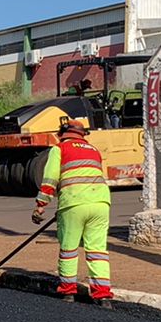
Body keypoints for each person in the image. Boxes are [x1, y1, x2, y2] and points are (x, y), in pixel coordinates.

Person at [32, 117, 113, 304]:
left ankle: (68, 291)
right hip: (101, 203)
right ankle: (102, 295)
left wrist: (40, 205)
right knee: (97, 250)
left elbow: (50, 179)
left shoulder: (59, 149)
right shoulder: (93, 150)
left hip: (74, 203)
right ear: (83, 135)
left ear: (62, 134)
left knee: (69, 248)